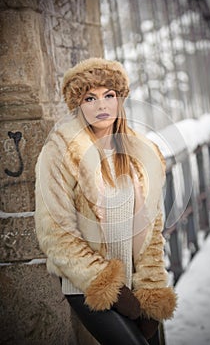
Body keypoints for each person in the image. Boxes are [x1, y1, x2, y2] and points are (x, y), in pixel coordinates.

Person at [35, 57, 177, 345]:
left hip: (136, 283)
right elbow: (56, 233)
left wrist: (151, 287)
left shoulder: (142, 153)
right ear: (78, 104)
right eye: (90, 98)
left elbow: (153, 229)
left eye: (108, 95)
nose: (101, 106)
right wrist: (107, 284)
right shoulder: (59, 152)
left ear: (119, 99)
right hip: (87, 284)